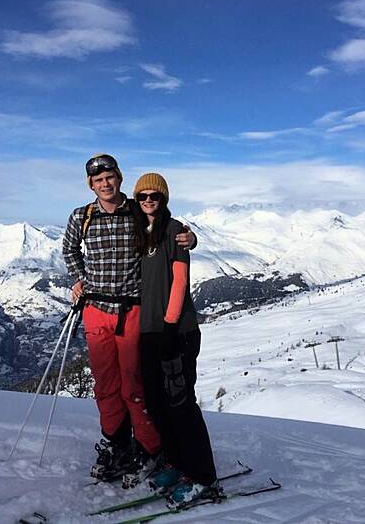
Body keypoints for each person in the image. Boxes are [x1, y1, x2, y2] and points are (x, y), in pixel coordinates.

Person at [61, 154, 195, 482]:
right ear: (91, 185)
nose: (105, 184)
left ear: (119, 178)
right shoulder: (82, 216)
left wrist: (191, 240)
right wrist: (79, 278)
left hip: (133, 309)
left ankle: (150, 447)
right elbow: (69, 250)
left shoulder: (138, 209)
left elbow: (170, 231)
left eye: (110, 177)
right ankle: (117, 442)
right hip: (95, 309)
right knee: (105, 384)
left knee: (134, 385)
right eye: (98, 180)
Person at [133, 173, 220, 508]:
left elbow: (180, 280)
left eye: (155, 196)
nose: (149, 201)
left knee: (182, 405)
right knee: (157, 403)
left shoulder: (174, 231)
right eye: (143, 197)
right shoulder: (143, 232)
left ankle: (203, 477)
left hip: (176, 332)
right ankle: (176, 463)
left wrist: (170, 326)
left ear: (164, 199)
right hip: (149, 332)